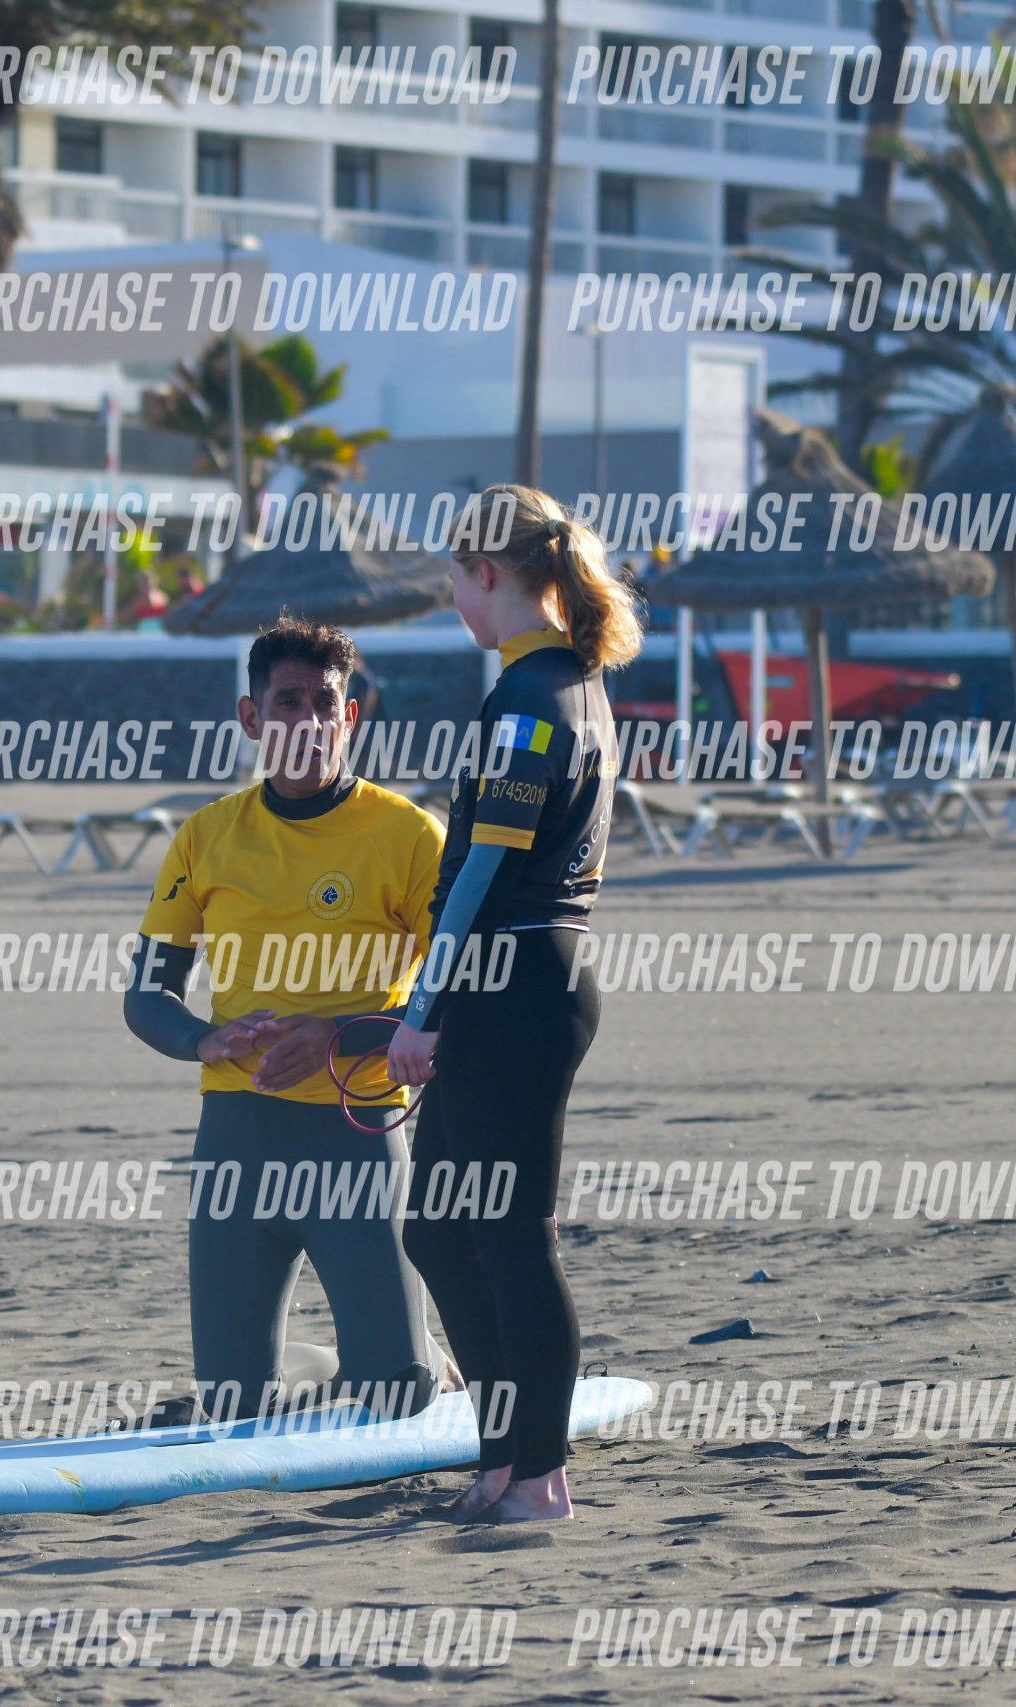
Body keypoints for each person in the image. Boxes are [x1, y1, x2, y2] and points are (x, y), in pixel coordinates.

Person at [383, 484, 643, 1524]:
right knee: (442, 1234)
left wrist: (423, 1007)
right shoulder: (567, 681)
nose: (455, 602)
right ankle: (503, 1459)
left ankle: (536, 1478)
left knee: (505, 1235)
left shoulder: (531, 698)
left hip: (516, 981)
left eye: (454, 581)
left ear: (484, 573)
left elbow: (486, 870)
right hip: (525, 981)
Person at [127, 618, 447, 1425]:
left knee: (398, 1395)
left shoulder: (409, 835)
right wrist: (202, 1038)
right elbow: (146, 995)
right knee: (231, 1406)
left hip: (355, 1139)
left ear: (351, 716)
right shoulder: (207, 835)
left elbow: (465, 992)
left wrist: (341, 1034)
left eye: (324, 703)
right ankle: (326, 1365)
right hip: (235, 1145)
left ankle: (417, 1354)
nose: (307, 721)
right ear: (251, 717)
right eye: (287, 703)